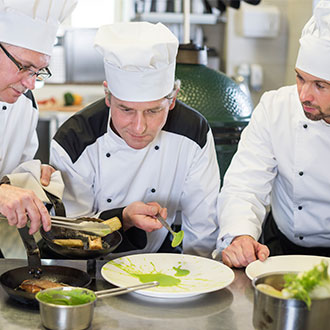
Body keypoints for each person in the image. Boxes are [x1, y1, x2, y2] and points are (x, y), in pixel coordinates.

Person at [50, 22, 220, 257]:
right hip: (90, 265)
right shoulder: (75, 139)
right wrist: (124, 218)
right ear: (108, 96)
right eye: (126, 110)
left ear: (172, 100)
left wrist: (195, 282)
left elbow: (203, 229)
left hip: (161, 259)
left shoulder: (194, 131)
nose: (139, 127)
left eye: (153, 111)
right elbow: (72, 234)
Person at [214, 0, 330, 268]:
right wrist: (241, 235)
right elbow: (245, 183)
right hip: (280, 250)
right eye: (300, 78)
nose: (304, 95)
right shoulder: (276, 107)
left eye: (320, 85)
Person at [0, 0, 77, 235]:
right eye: (24, 67)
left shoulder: (25, 105)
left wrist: (33, 177)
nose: (31, 83)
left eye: (37, 72)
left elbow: (10, 178)